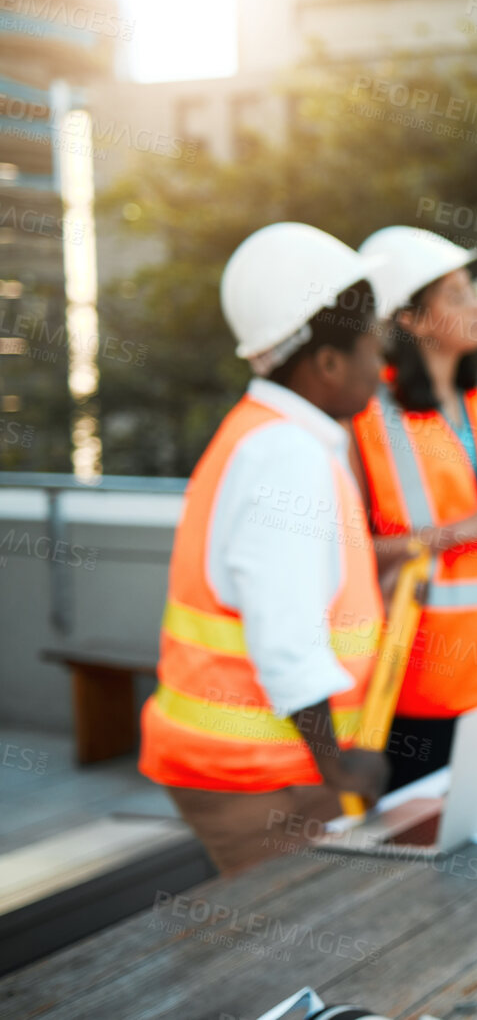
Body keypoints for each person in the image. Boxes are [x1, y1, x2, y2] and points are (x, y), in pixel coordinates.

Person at [139, 222, 390, 876]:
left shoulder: (266, 436)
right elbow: (285, 640)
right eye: (370, 350)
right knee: (286, 960)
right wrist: (341, 764)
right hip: (257, 775)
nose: (379, 367)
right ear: (328, 362)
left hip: (249, 766)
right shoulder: (287, 454)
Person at [350, 226, 477, 790]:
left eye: (474, 288)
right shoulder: (367, 416)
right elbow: (348, 551)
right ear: (409, 318)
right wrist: (468, 528)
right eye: (456, 294)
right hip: (421, 682)